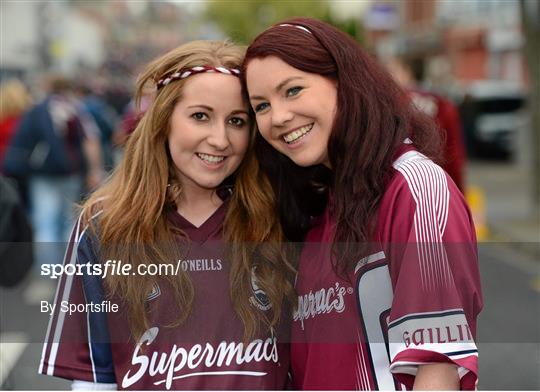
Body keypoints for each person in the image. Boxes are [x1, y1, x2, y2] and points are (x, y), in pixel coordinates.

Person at [38, 40, 294, 390]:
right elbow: (96, 378)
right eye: (200, 116)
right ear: (164, 121)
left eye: (237, 120)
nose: (220, 139)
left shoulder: (281, 216)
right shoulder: (104, 225)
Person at [243, 18, 483, 390]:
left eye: (292, 90)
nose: (278, 117)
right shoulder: (318, 207)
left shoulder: (414, 189)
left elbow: (438, 366)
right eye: (260, 106)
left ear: (344, 82)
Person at [385, 57, 467, 192]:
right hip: (441, 185)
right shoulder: (443, 104)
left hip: (401, 186)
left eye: (391, 70)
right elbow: (455, 157)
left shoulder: (392, 104)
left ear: (407, 72)